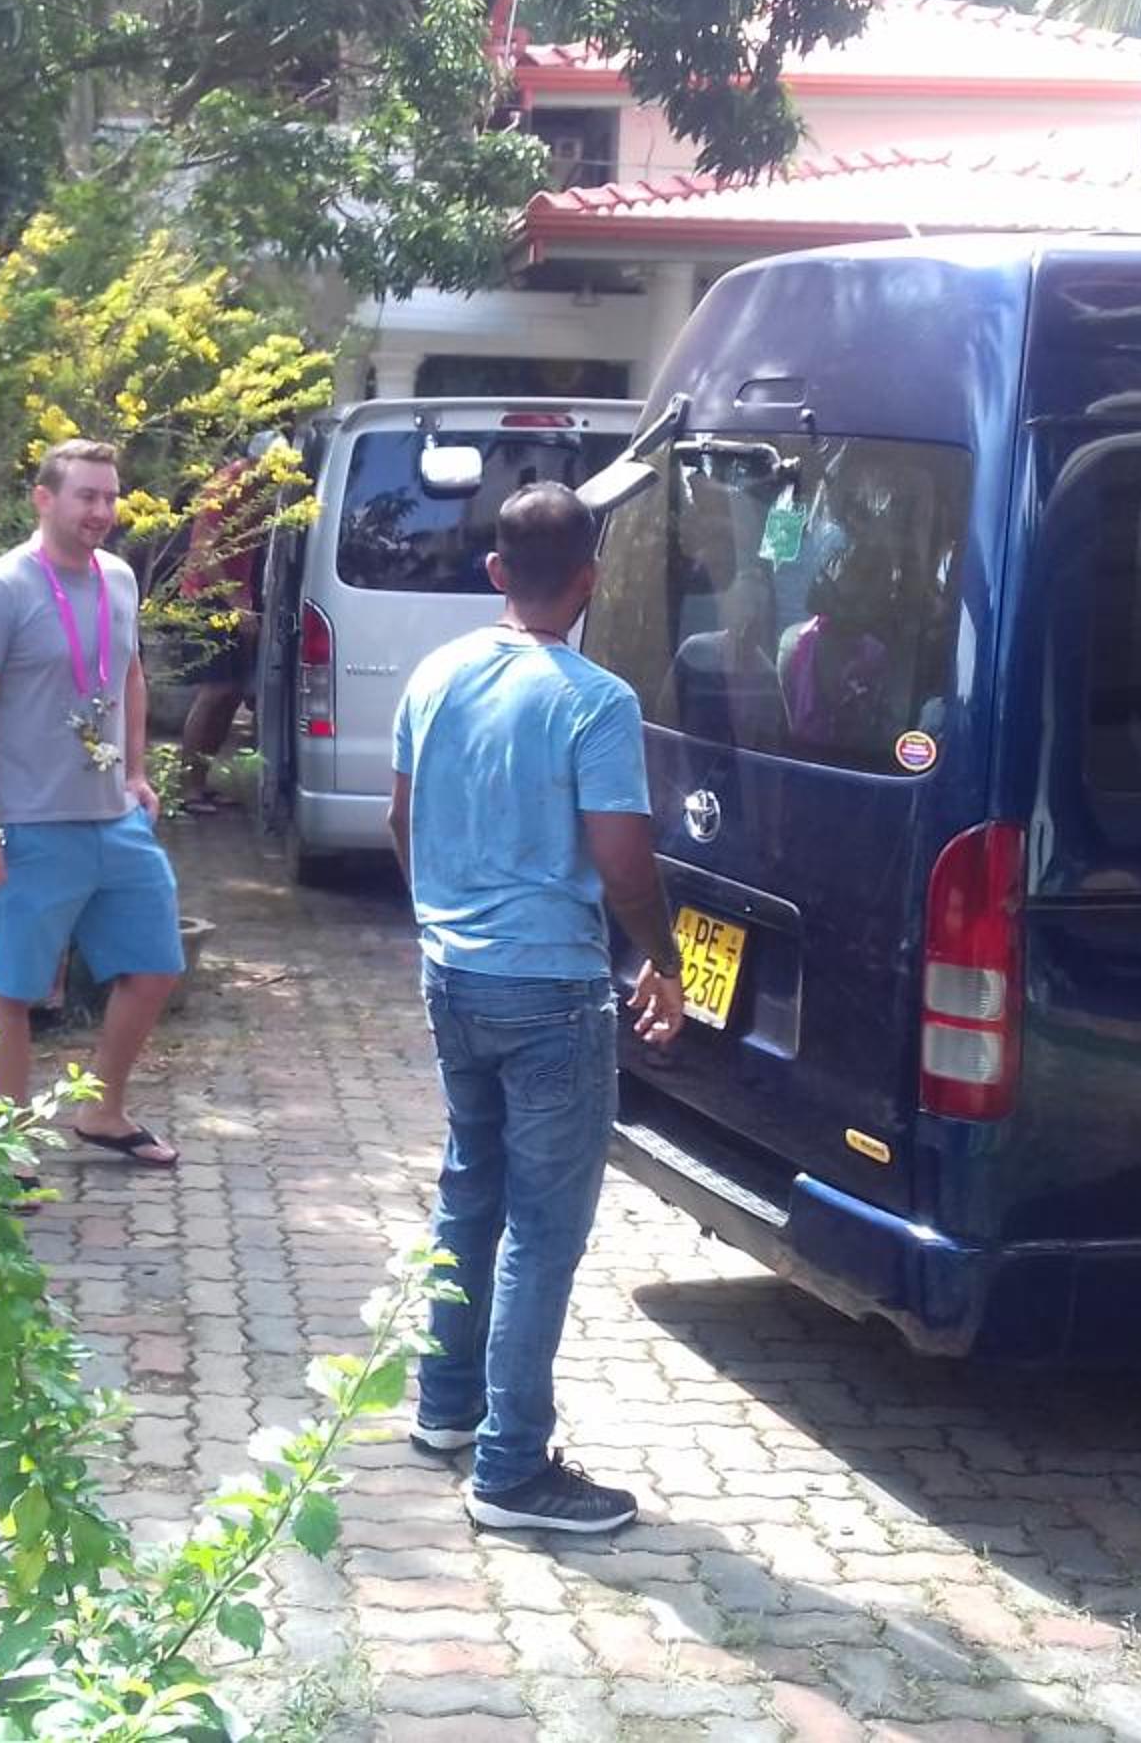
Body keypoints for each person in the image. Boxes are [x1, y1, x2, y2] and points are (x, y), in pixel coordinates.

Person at [388, 483, 686, 1535]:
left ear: (496, 573)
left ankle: (447, 1408)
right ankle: (512, 1472)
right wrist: (664, 960)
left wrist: (442, 918)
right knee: (543, 1231)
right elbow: (624, 863)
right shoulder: (595, 701)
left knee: (471, 1191)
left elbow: (400, 820)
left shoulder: (434, 674)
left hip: (453, 977)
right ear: (591, 580)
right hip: (552, 992)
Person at [0, 438, 186, 1175]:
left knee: (155, 966)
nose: (102, 511)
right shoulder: (0, 589)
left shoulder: (119, 577)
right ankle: (8, 1140)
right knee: (16, 988)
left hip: (116, 820)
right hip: (30, 824)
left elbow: (130, 676)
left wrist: (137, 771)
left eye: (110, 496)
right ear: (44, 499)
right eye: (87, 495)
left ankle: (102, 1111)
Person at [172, 443, 266, 813]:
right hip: (207, 598)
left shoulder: (262, 489)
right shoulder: (225, 486)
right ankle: (188, 788)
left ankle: (204, 780)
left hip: (236, 597)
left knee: (232, 694)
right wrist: (236, 603)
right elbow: (202, 552)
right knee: (215, 691)